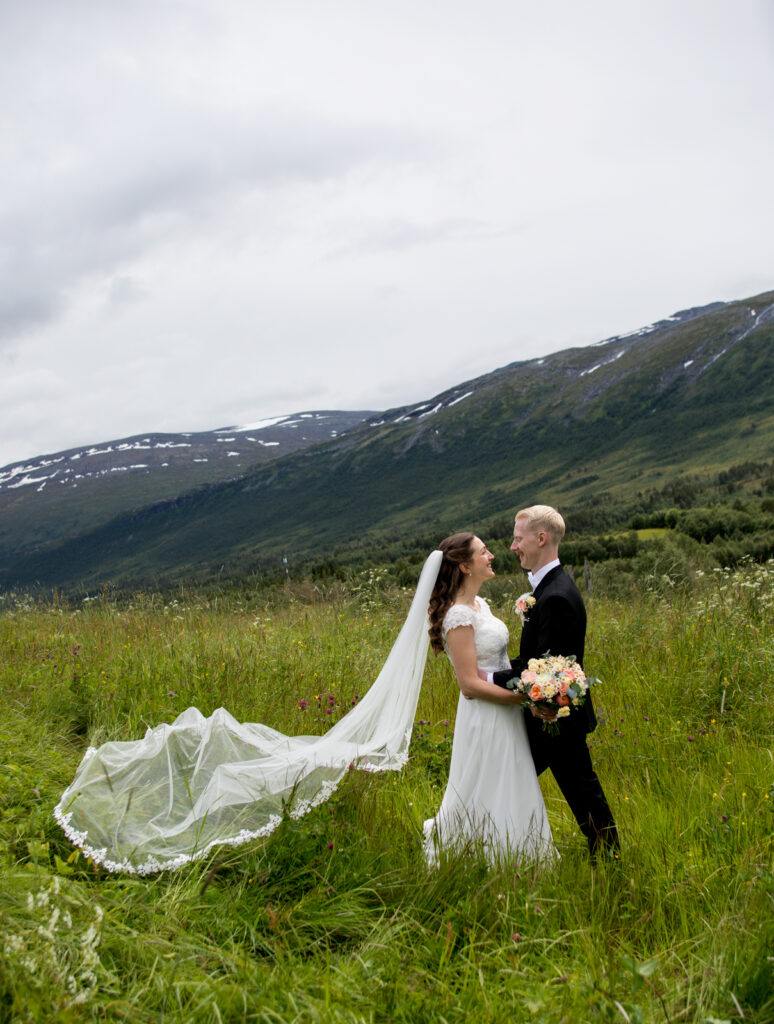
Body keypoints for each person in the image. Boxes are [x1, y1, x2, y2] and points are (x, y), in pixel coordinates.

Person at [481, 505, 619, 858]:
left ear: (540, 538)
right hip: (550, 716)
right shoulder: (546, 591)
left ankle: (608, 861)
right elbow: (534, 662)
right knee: (577, 790)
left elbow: (541, 674)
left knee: (580, 792)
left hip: (555, 720)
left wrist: (485, 677)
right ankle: (604, 858)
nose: (513, 546)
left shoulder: (555, 597)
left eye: (517, 538)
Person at [423, 533, 555, 866]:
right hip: (486, 713)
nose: (492, 555)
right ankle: (484, 855)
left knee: (509, 777)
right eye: (484, 552)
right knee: (487, 779)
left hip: (505, 708)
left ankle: (518, 851)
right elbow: (469, 684)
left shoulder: (480, 605)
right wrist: (524, 699)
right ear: (465, 566)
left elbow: (494, 665)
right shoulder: (457, 617)